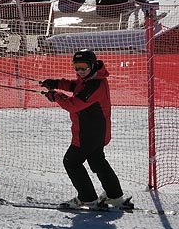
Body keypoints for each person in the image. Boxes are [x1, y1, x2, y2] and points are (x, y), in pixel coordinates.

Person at [40, 49, 133, 209]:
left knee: (71, 162)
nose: (80, 71)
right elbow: (76, 86)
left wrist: (55, 96)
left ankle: (87, 198)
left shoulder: (95, 85)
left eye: (83, 67)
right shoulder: (92, 79)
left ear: (92, 65)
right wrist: (56, 83)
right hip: (98, 132)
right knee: (97, 161)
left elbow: (74, 104)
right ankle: (115, 196)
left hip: (88, 134)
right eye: (77, 67)